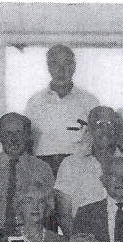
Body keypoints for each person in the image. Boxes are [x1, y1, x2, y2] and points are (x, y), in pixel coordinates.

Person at [0, 112, 55, 236]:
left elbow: (49, 211)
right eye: (8, 133)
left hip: (29, 237)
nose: (13, 139)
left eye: (19, 133)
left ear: (27, 136)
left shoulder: (42, 169)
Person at [24, 45, 100, 175]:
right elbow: (27, 142)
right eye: (54, 63)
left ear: (74, 66)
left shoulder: (90, 101)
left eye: (67, 63)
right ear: (48, 66)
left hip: (79, 170)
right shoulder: (34, 102)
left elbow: (97, 142)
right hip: (43, 169)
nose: (61, 69)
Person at [55, 106, 123, 232]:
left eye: (110, 124)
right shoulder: (70, 164)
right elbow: (64, 215)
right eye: (99, 124)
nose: (105, 130)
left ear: (117, 130)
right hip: (83, 239)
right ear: (89, 129)